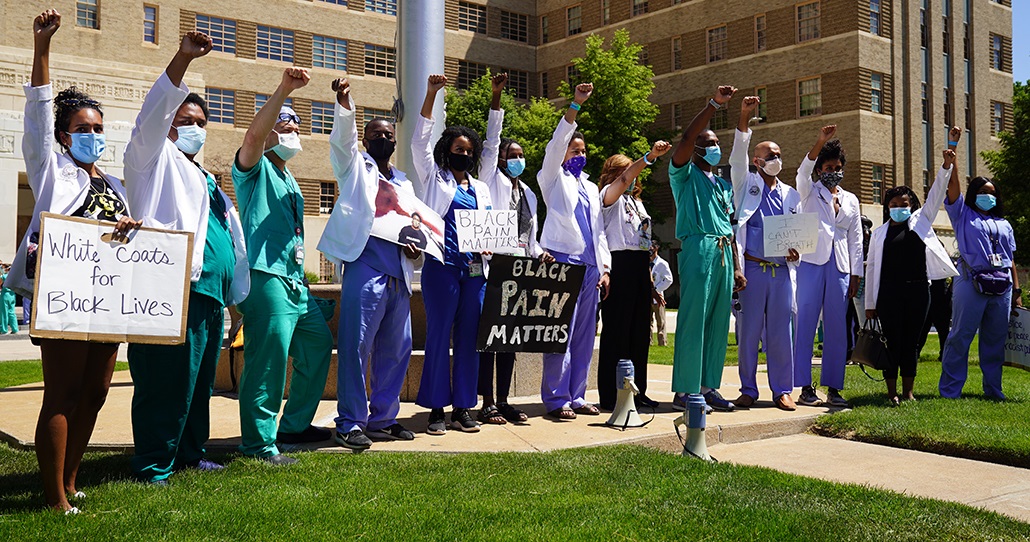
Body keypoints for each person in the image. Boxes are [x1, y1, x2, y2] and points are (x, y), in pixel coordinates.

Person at [11, 10, 141, 513]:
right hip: (64, 297)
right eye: (84, 128)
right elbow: (39, 115)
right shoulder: (52, 170)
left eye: (99, 128)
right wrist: (42, 48)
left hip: (107, 303)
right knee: (62, 393)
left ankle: (69, 480)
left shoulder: (112, 184)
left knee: (96, 391)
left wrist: (129, 227)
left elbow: (130, 241)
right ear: (65, 136)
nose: (93, 134)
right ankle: (53, 500)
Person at [124, 32, 249, 483]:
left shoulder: (200, 174)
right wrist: (182, 60)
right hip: (170, 287)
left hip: (209, 292)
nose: (193, 127)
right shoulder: (149, 160)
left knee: (196, 383)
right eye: (183, 119)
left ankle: (191, 452)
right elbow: (151, 117)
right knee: (165, 380)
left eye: (200, 120)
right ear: (167, 124)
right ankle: (155, 461)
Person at [231, 68, 334, 463]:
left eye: (295, 124)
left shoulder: (289, 177)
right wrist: (284, 90)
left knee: (317, 343)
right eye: (283, 123)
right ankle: (258, 444)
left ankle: (293, 426)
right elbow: (253, 137)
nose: (291, 130)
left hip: (292, 281)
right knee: (268, 362)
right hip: (266, 276)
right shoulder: (253, 169)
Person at [320, 78, 422, 450]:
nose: (384, 138)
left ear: (395, 141)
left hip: (398, 272)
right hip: (365, 267)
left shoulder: (405, 182)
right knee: (356, 345)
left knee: (398, 349)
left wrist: (416, 251)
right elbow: (341, 142)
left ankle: (383, 417)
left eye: (389, 135)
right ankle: (350, 422)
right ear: (366, 141)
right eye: (376, 134)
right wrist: (344, 101)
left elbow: (415, 225)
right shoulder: (354, 168)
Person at [412, 74, 495, 434]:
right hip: (441, 266)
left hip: (475, 270)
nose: (464, 154)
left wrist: (491, 241)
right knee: (438, 334)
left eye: (469, 150)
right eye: (458, 149)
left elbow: (490, 224)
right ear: (447, 150)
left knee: (469, 338)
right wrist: (431, 94)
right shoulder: (434, 177)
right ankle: (435, 409)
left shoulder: (480, 187)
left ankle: (463, 407)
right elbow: (419, 139)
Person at [476, 73, 550, 425]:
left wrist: (541, 254)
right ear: (502, 160)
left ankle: (504, 399)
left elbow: (530, 237)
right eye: (512, 155)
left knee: (510, 338)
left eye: (521, 155)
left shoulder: (530, 194)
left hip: (521, 270)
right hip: (494, 268)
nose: (517, 159)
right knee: (489, 338)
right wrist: (496, 99)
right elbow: (491, 143)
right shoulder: (492, 180)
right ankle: (486, 400)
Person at [667, 86, 747, 412]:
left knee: (717, 321)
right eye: (707, 143)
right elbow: (686, 138)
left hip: (725, 251)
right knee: (693, 318)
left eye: (716, 143)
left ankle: (708, 386)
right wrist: (713, 105)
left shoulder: (724, 185)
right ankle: (685, 391)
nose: (713, 148)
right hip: (698, 246)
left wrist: (738, 265)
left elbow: (732, 226)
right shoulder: (683, 175)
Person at [536, 82, 611, 420]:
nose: (578, 154)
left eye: (582, 150)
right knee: (559, 333)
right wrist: (575, 107)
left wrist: (605, 267)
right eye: (573, 149)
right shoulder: (551, 179)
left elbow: (599, 230)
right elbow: (555, 145)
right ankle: (555, 398)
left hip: (591, 266)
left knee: (583, 335)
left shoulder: (592, 187)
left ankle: (578, 394)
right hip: (562, 261)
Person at [865, 142, 959, 404]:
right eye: (893, 203)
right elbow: (872, 269)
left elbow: (938, 192)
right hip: (888, 294)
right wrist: (870, 305)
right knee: (891, 342)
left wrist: (946, 165)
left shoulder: (921, 222)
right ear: (888, 207)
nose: (899, 207)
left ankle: (908, 391)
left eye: (903, 203)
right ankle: (891, 392)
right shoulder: (879, 234)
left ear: (911, 204)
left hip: (918, 291)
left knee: (912, 343)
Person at [729, 96, 801, 411]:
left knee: (782, 333)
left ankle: (782, 390)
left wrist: (798, 252)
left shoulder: (791, 194)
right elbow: (736, 157)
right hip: (753, 270)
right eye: (770, 155)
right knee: (748, 331)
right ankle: (748, 389)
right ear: (757, 161)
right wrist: (744, 116)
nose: (776, 159)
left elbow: (799, 235)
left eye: (779, 155)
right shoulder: (746, 185)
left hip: (782, 272)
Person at [940, 128, 1019, 400]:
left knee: (994, 341)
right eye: (984, 191)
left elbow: (1011, 259)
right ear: (974, 194)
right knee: (961, 336)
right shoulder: (962, 214)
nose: (989, 196)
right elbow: (954, 186)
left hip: (1002, 286)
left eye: (993, 192)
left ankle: (994, 390)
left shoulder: (1004, 223)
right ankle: (951, 390)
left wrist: (1016, 291)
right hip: (971, 281)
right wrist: (953, 150)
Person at [596, 140, 671, 412]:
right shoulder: (608, 196)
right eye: (626, 172)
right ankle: (611, 394)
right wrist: (649, 156)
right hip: (620, 263)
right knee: (617, 331)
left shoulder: (637, 202)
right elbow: (625, 178)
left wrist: (650, 281)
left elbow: (644, 238)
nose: (632, 177)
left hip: (640, 265)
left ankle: (638, 392)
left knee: (640, 333)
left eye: (634, 172)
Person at [793, 125, 862, 408]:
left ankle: (834, 388)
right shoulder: (808, 192)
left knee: (837, 329)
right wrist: (820, 141)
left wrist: (856, 273)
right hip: (811, 263)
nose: (833, 170)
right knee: (806, 324)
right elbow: (801, 172)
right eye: (828, 166)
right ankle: (804, 387)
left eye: (837, 166)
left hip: (841, 267)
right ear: (820, 169)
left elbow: (856, 238)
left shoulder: (850, 199)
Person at [917, 277, 953, 361]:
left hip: (938, 294)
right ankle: (944, 355)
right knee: (941, 330)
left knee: (940, 330)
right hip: (940, 293)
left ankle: (944, 354)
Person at [650, 243, 673, 346]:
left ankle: (662, 343)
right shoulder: (645, 262)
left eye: (652, 247)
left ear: (656, 249)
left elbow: (668, 279)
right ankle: (648, 342)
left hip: (657, 297)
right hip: (646, 297)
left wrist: (657, 289)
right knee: (647, 322)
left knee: (661, 322)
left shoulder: (662, 263)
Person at [0, 263, 16, 334]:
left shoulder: (4, 276)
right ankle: (15, 328)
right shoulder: (14, 277)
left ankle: (4, 329)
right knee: (12, 312)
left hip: (5, 294)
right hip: (12, 295)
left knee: (4, 313)